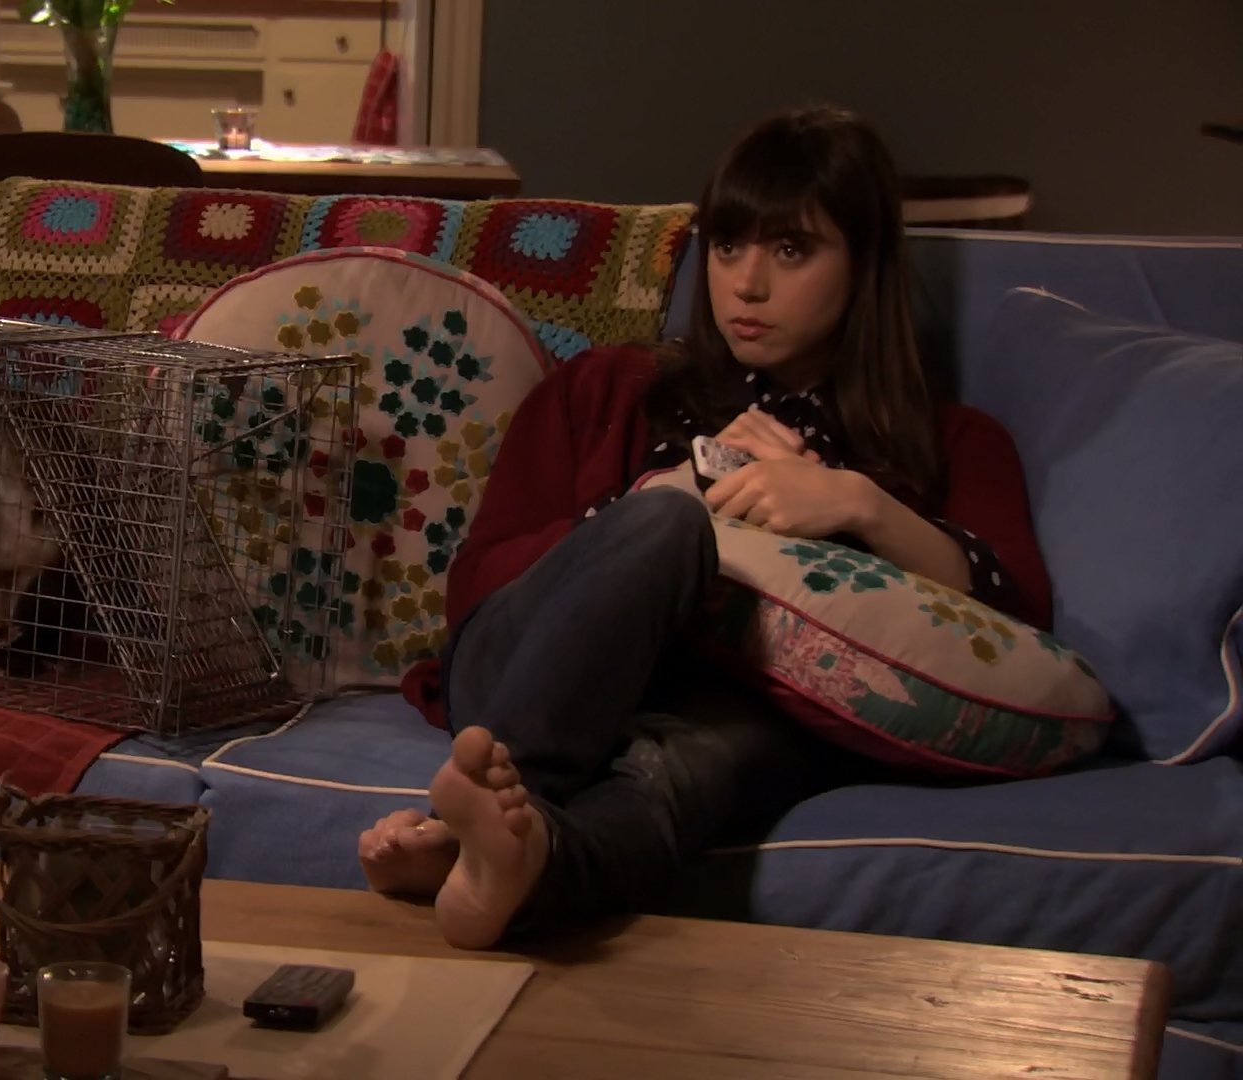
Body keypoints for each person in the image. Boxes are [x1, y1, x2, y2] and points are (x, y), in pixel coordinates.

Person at [357, 104, 1054, 950]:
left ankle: (517, 860)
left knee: (695, 767)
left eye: (790, 251)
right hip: (524, 673)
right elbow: (479, 586)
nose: (747, 286)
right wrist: (667, 497)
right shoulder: (607, 388)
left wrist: (860, 506)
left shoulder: (951, 442)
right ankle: (501, 806)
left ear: (865, 263)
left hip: (719, 715)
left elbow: (1017, 633)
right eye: (727, 248)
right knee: (670, 524)